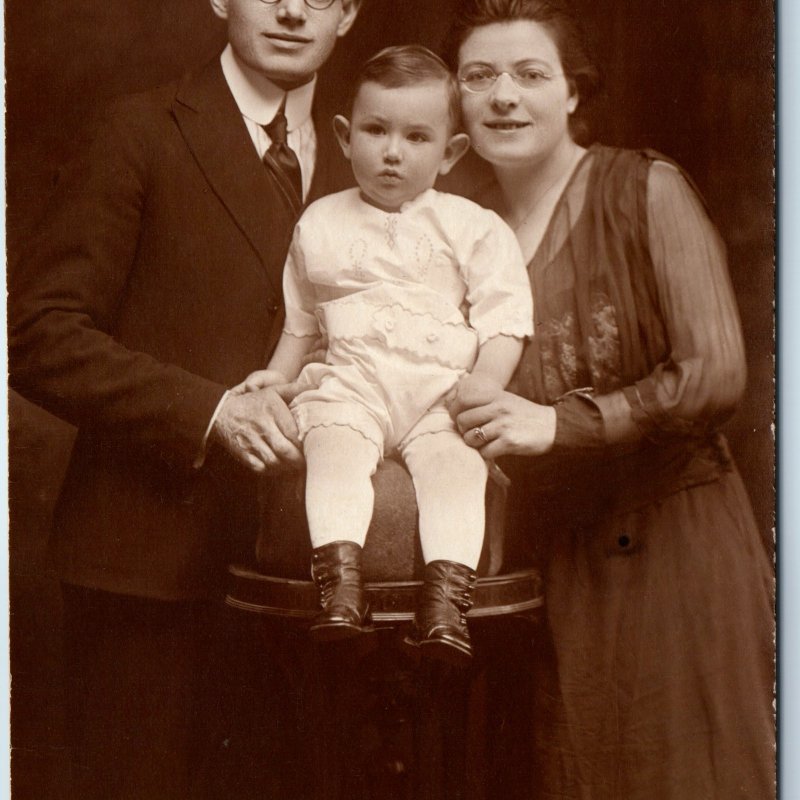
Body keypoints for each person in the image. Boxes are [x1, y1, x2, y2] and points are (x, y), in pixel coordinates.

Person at [8, 0, 362, 797]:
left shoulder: (372, 151)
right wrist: (210, 411)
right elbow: (35, 331)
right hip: (144, 569)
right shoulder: (136, 130)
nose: (293, 10)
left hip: (303, 577)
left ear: (349, 13)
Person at [442, 0, 775, 797]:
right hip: (538, 563)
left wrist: (559, 422)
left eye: (530, 74)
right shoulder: (455, 225)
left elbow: (716, 372)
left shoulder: (644, 187)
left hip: (670, 542)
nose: (504, 97)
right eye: (479, 77)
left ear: (573, 93)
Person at [237, 44, 533, 664]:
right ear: (345, 137)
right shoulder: (319, 222)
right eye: (375, 130)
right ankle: (341, 590)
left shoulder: (475, 227)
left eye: (417, 137)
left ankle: (446, 603)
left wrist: (481, 388)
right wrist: (277, 376)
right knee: (332, 452)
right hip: (352, 383)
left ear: (450, 152)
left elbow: (505, 320)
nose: (392, 151)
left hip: (440, 394)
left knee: (457, 472)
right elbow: (301, 322)